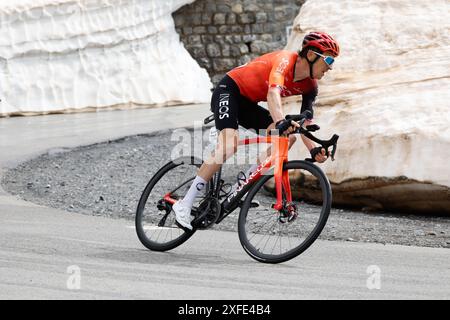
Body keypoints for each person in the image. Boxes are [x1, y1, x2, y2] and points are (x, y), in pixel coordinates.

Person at [174, 31, 340, 230]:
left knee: (288, 139)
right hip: (229, 90)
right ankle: (184, 204)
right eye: (329, 59)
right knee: (230, 144)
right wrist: (280, 122)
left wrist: (313, 149)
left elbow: (306, 121)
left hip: (247, 103)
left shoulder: (310, 86)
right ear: (312, 55)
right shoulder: (285, 60)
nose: (330, 67)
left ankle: (242, 187)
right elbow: (273, 93)